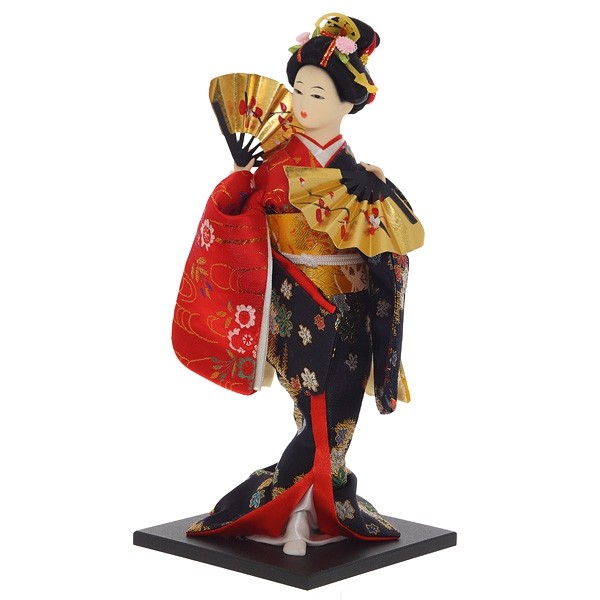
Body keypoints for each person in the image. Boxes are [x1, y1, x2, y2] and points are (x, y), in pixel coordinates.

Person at [175, 14, 424, 556]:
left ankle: (312, 500)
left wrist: (380, 195)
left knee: (341, 404)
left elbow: (389, 236)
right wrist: (241, 183)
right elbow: (240, 218)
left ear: (348, 103)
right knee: (315, 404)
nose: (302, 103)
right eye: (298, 91)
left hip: (352, 301)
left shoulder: (354, 167)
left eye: (317, 93)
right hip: (298, 301)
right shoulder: (277, 162)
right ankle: (298, 499)